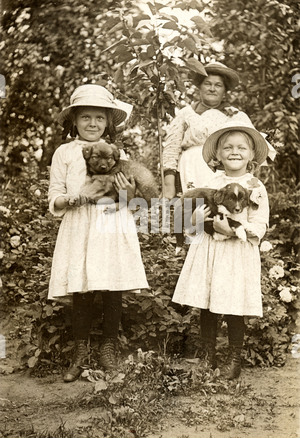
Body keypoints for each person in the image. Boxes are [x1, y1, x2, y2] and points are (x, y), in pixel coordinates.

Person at [48, 84, 149, 382]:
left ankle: (108, 349)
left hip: (112, 224)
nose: (93, 124)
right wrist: (67, 200)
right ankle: (80, 351)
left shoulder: (119, 154)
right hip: (79, 224)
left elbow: (137, 200)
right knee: (81, 287)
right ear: (74, 122)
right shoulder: (64, 153)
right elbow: (55, 191)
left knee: (111, 286)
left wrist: (130, 194)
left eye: (99, 118)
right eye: (85, 118)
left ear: (109, 123)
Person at [172, 119, 270, 379]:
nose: (234, 152)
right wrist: (193, 221)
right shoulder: (210, 181)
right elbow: (190, 220)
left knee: (233, 304)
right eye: (227, 148)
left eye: (241, 147)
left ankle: (233, 358)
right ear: (218, 154)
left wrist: (236, 231)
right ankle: (208, 356)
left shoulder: (255, 187)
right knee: (207, 304)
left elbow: (260, 224)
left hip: (237, 254)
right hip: (210, 252)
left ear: (251, 155)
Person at [163, 61, 272, 198]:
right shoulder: (186, 113)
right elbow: (171, 150)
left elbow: (253, 153)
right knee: (195, 209)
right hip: (191, 169)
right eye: (208, 84)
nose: (212, 89)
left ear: (224, 90)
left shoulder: (237, 116)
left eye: (218, 85)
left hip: (227, 172)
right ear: (200, 87)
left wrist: (248, 183)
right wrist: (169, 186)